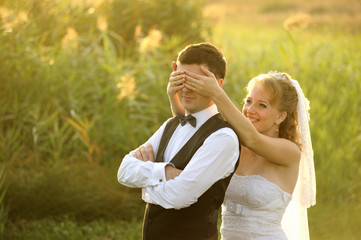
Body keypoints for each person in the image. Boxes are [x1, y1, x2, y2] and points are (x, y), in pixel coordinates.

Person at [167, 69, 316, 240]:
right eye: (249, 101)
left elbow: (253, 140)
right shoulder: (233, 144)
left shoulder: (290, 152)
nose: (250, 110)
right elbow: (192, 131)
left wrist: (216, 92)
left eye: (262, 105)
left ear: (280, 117)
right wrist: (174, 96)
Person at [117, 42, 240, 240]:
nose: (186, 88)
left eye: (195, 81)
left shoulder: (223, 138)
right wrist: (162, 171)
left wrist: (144, 178)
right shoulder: (170, 125)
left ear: (217, 84)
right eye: (181, 78)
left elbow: (179, 196)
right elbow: (123, 171)